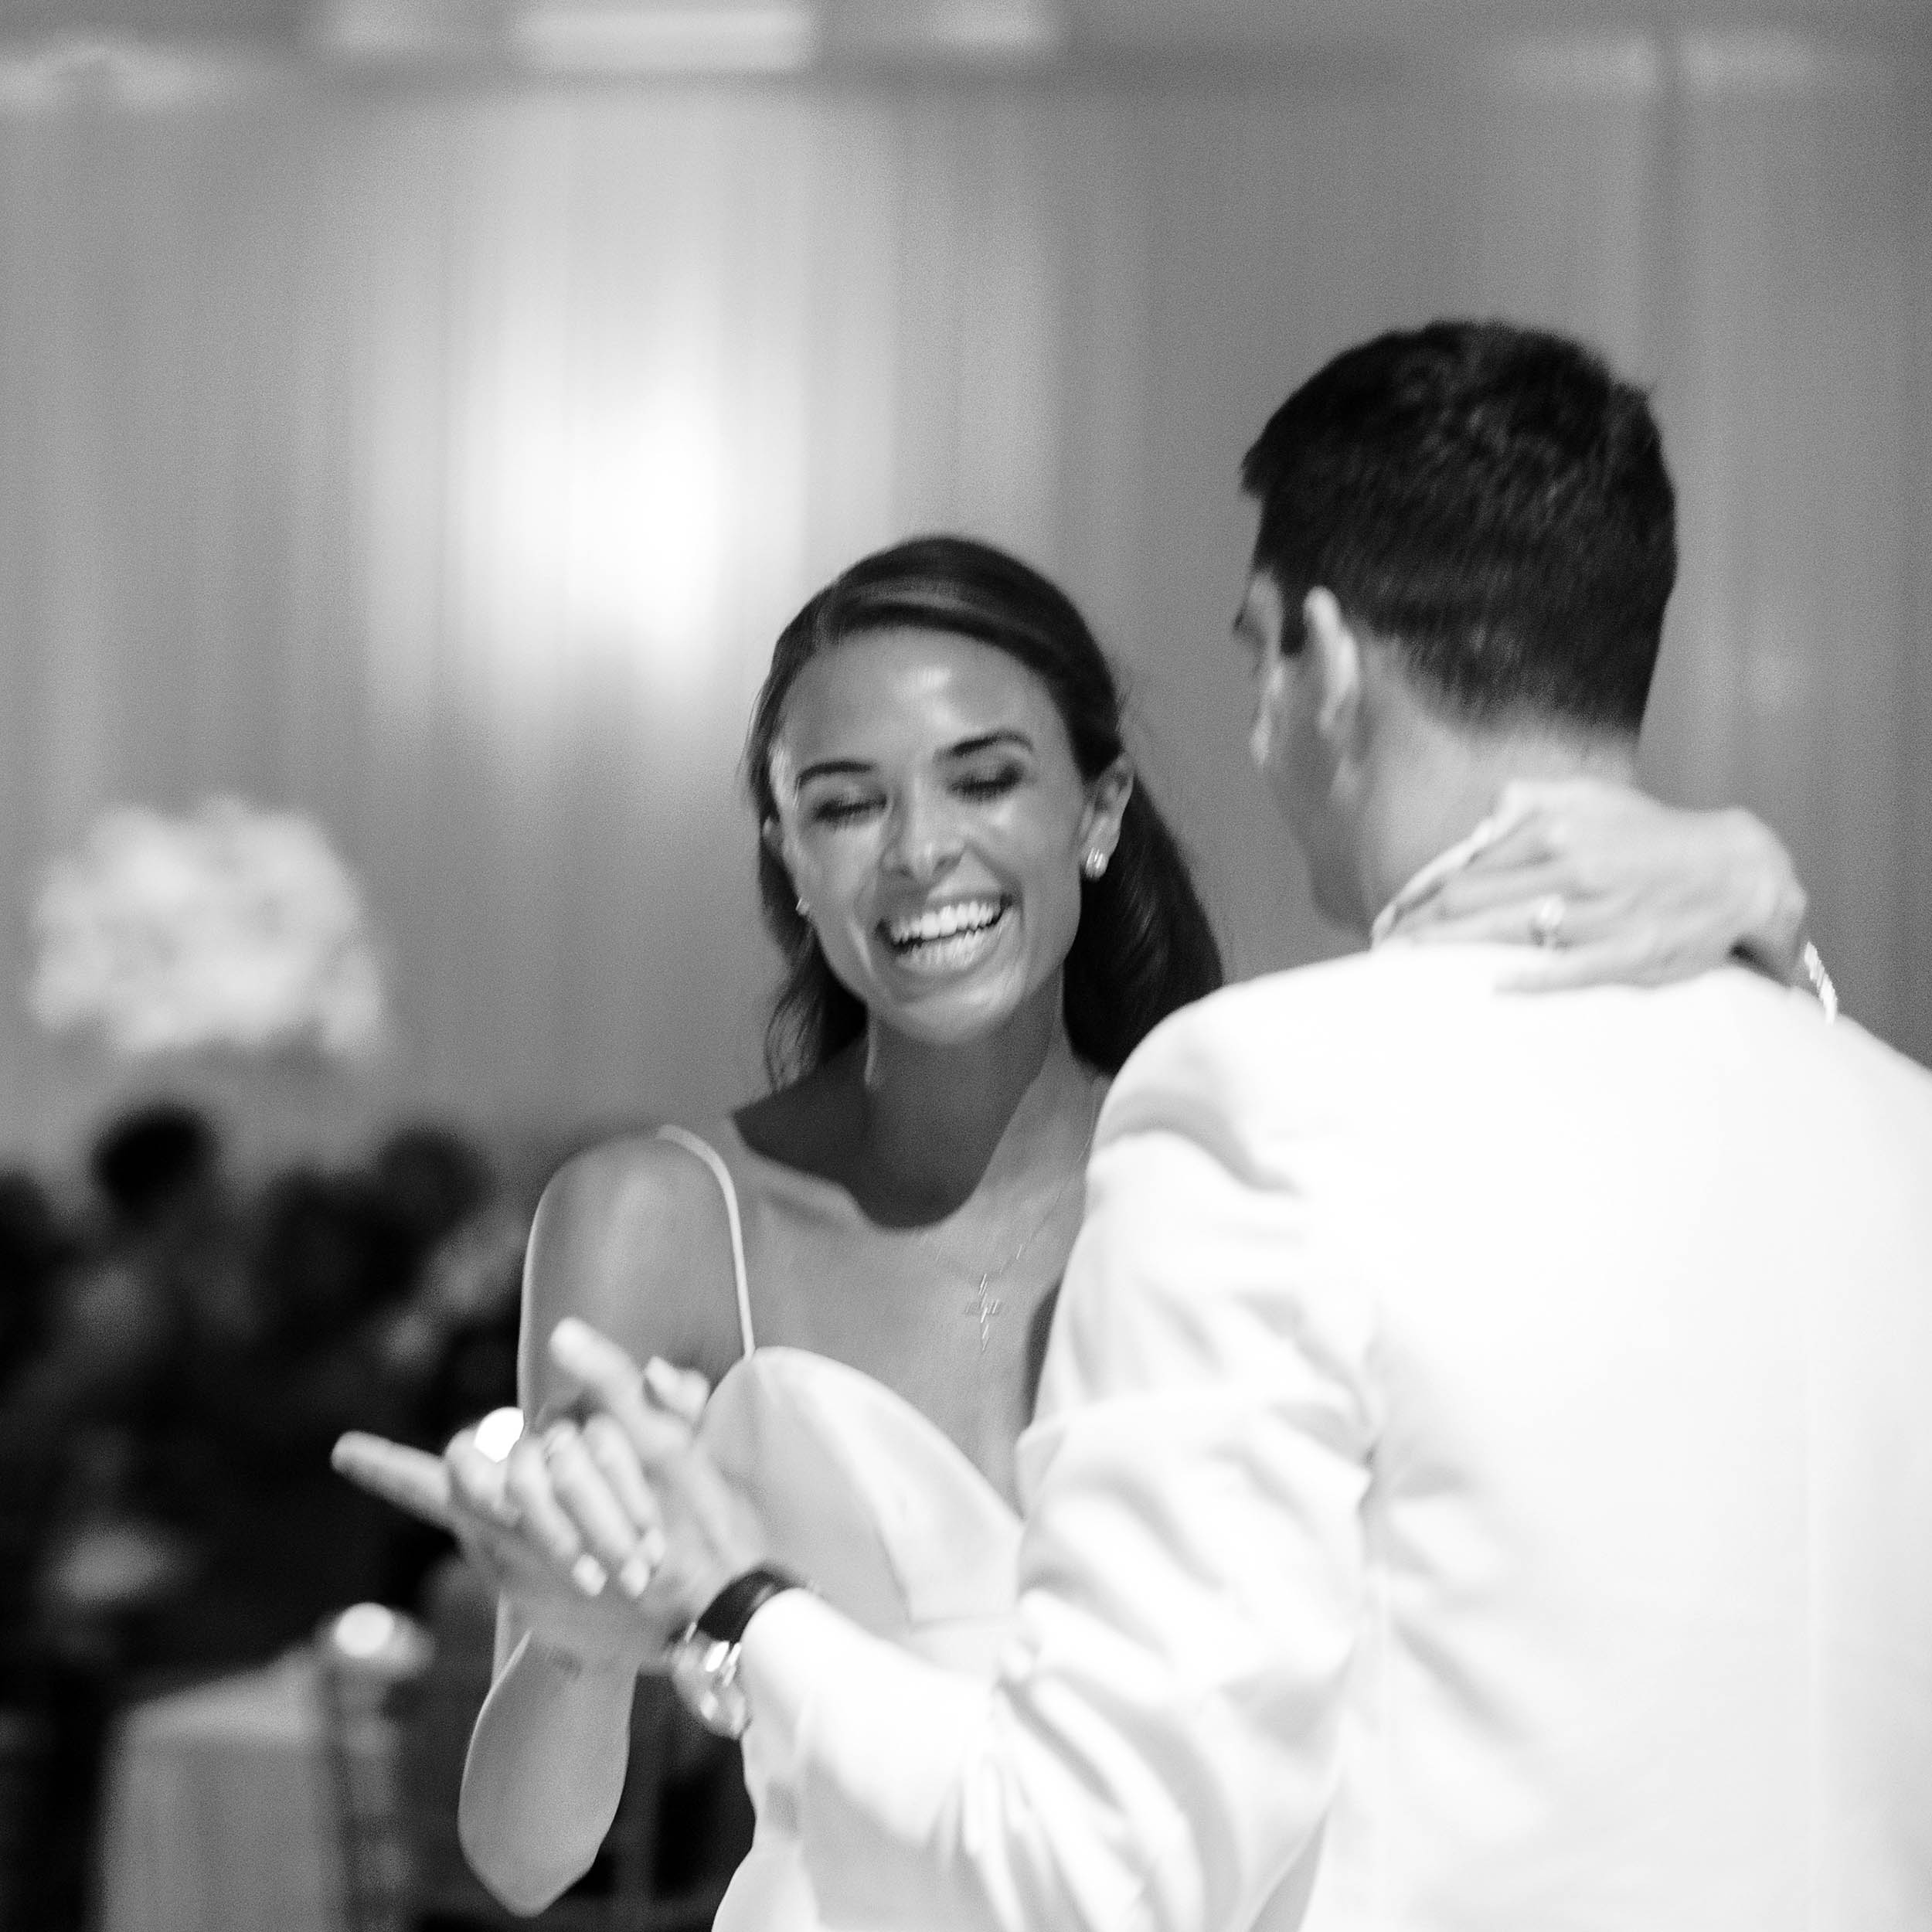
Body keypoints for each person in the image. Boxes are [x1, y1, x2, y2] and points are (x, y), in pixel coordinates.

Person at [337, 524, 1828, 1929]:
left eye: (984, 780)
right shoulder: (652, 1218)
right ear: (789, 859)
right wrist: (588, 1647)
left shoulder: (1255, 1159)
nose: (918, 851)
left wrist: (1762, 896)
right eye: (846, 805)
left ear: (1098, 814)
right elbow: (524, 1859)